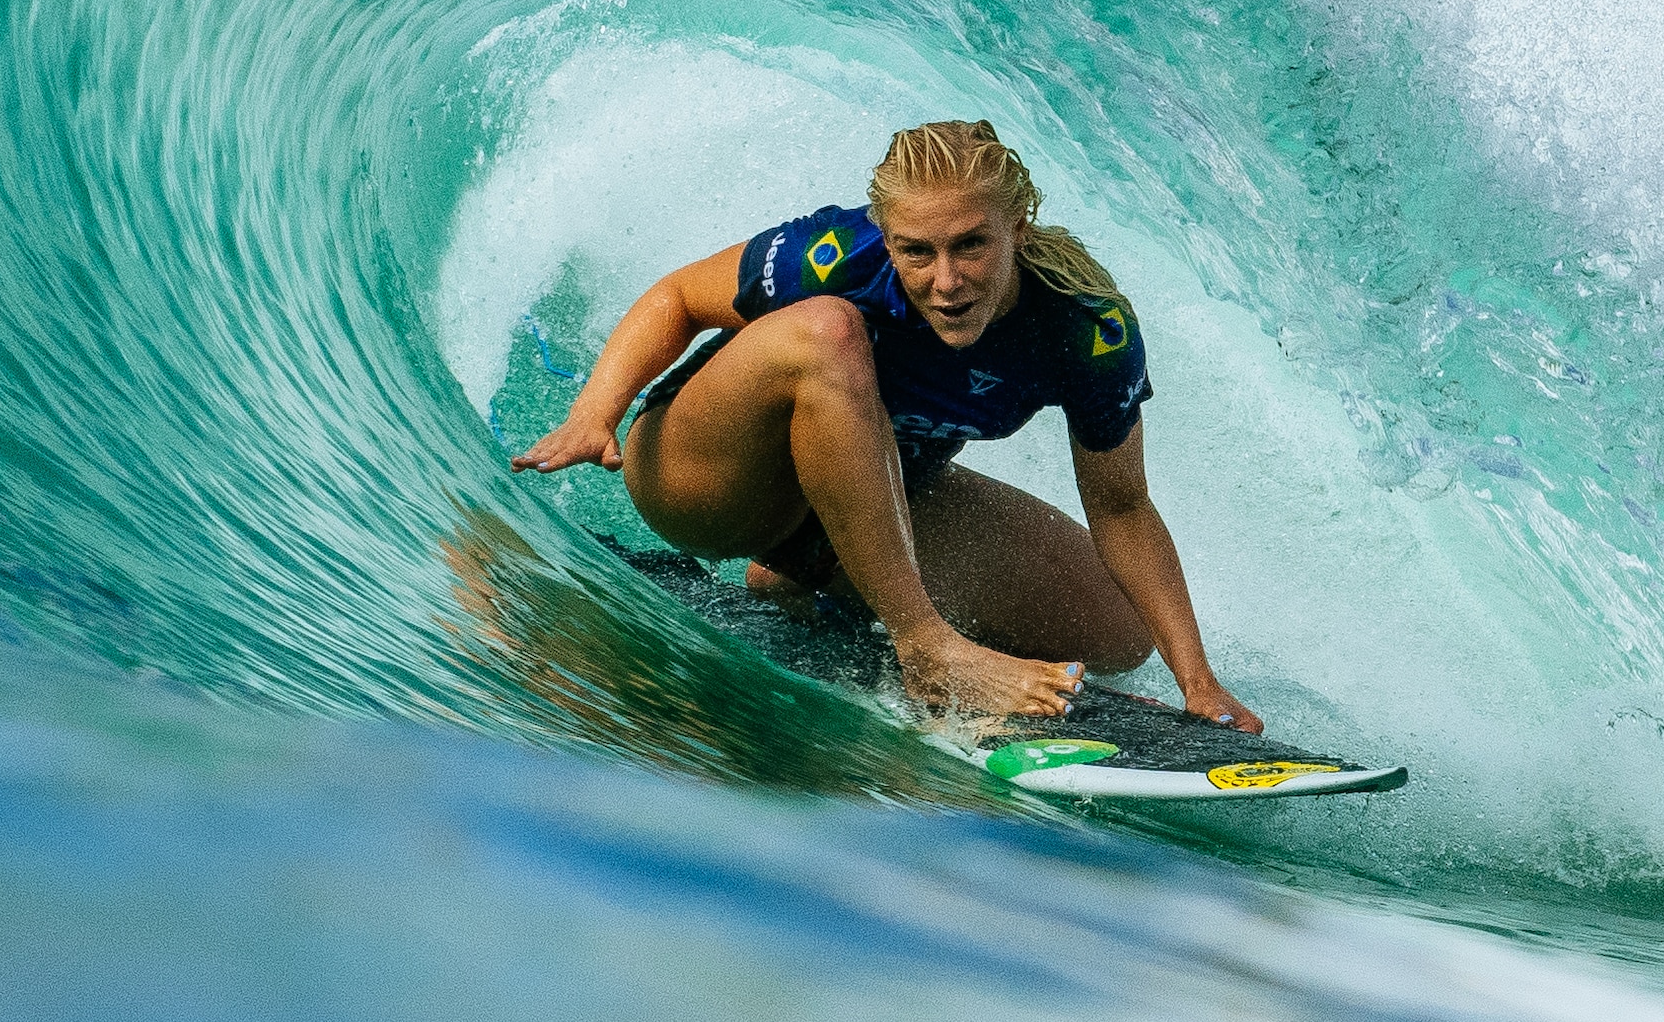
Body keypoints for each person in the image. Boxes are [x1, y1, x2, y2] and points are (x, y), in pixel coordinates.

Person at [511, 119, 1259, 731]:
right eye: (917, 251)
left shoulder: (1085, 325)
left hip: (852, 506)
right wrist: (594, 413)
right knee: (831, 333)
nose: (947, 279)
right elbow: (677, 296)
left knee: (1119, 628)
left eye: (972, 243)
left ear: (1019, 229)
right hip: (705, 476)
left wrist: (1198, 681)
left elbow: (1121, 506)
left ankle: (805, 582)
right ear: (886, 235)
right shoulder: (842, 252)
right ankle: (926, 643)